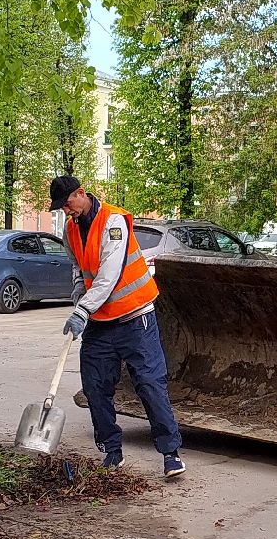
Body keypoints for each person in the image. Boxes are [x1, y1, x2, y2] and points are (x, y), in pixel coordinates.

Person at [50, 175, 187, 479]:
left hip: (135, 318)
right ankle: (112, 451)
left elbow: (109, 274)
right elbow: (78, 265)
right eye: (61, 208)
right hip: (100, 323)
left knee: (150, 385)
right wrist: (76, 289)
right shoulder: (70, 229)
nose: (66, 211)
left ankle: (170, 454)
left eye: (68, 203)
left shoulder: (114, 222)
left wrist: (82, 310)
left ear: (81, 193)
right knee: (95, 388)